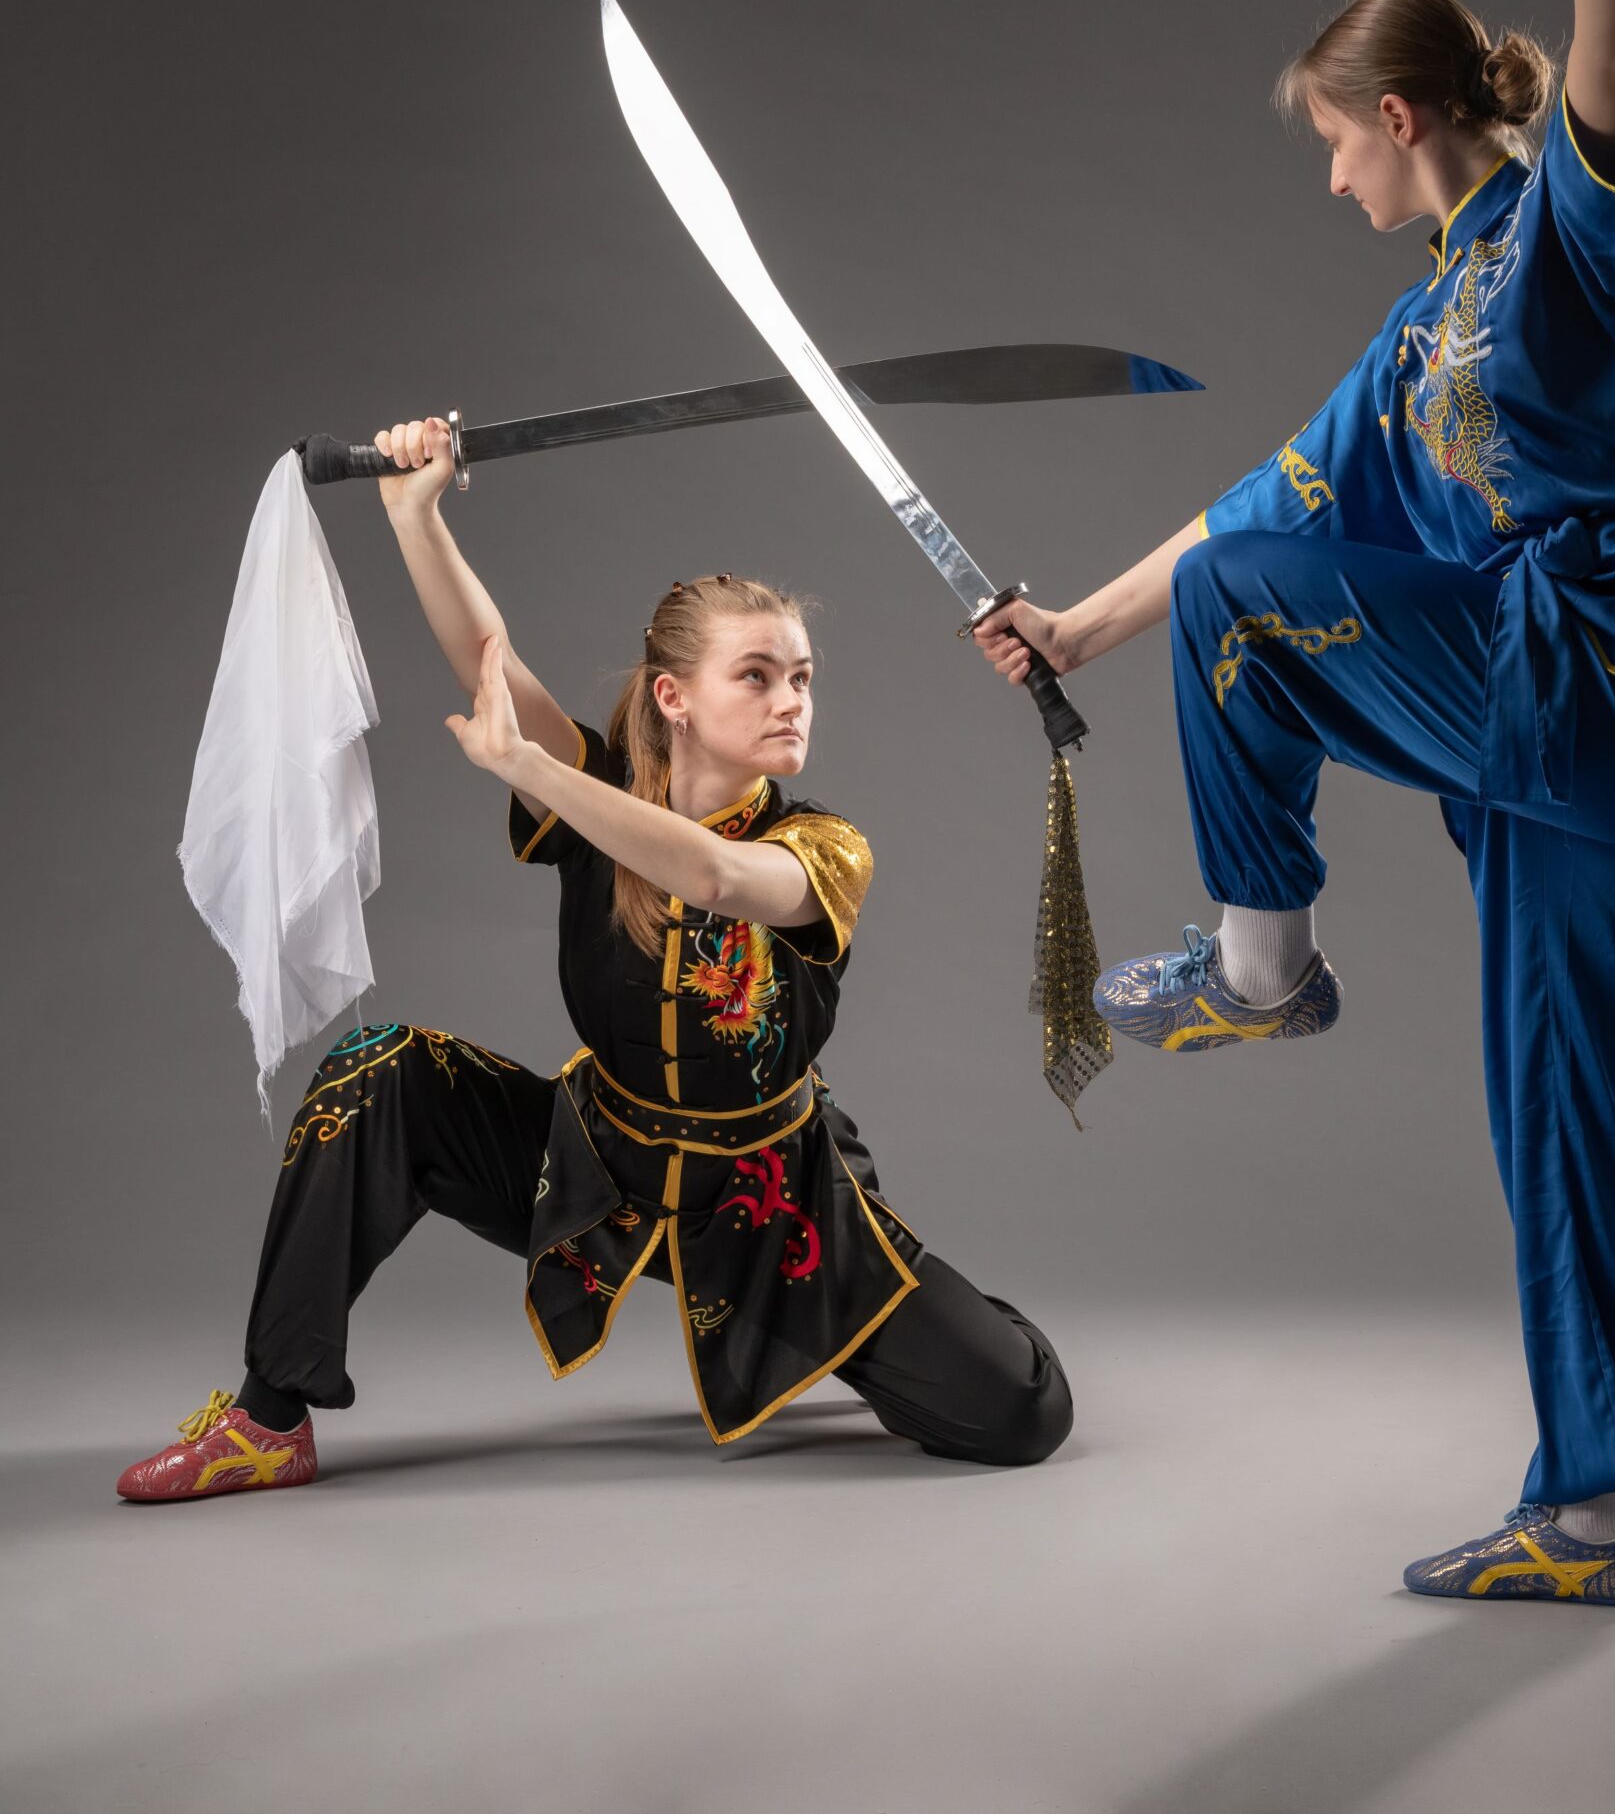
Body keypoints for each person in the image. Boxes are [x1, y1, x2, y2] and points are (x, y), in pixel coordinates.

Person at [975, 0, 1615, 1607]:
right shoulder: (1422, 329)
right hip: (1581, 746)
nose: (1329, 174)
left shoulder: (1568, 238)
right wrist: (1076, 629)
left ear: (1397, 117)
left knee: (1247, 610)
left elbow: (1610, 54)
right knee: (1569, 1110)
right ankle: (1595, 1516)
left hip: (1603, 672)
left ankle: (1263, 969)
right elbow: (1264, 505)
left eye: (1333, 142)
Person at [120, 420, 1072, 1499]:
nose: (791, 700)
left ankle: (943, 1319)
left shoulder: (822, 845)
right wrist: (412, 515)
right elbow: (488, 662)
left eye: (801, 677)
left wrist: (534, 771)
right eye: (756, 676)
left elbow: (714, 877)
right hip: (593, 1170)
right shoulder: (602, 789)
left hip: (772, 1202)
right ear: (675, 697)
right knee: (376, 1073)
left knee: (1020, 1411)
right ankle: (267, 1417)